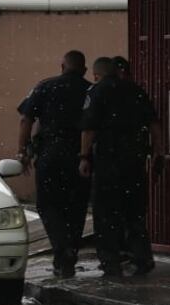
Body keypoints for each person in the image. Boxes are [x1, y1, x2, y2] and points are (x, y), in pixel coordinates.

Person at [78, 57, 156, 277]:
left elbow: (88, 129)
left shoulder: (96, 92)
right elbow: (154, 124)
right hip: (134, 161)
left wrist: (84, 156)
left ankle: (111, 261)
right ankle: (142, 258)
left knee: (106, 215)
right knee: (135, 213)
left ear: (96, 74)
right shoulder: (136, 91)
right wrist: (159, 152)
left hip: (107, 163)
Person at [17, 50, 92, 278]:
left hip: (51, 153)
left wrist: (23, 151)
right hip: (79, 155)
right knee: (77, 207)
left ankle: (62, 251)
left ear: (62, 66)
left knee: (49, 205)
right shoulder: (90, 90)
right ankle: (69, 252)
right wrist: (86, 155)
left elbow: (26, 119)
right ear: (84, 70)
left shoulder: (45, 87)